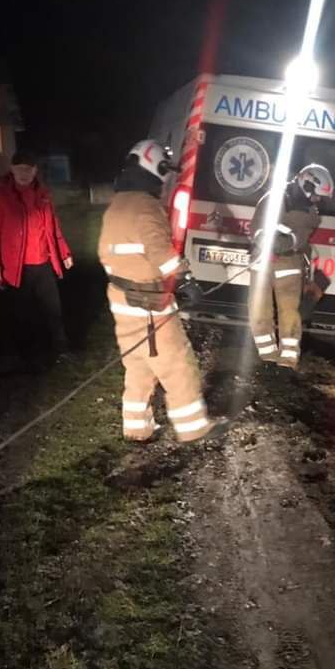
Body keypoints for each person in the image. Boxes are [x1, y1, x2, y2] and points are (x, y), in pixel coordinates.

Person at [99, 139, 229, 444]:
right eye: (163, 170)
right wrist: (184, 280)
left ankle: (136, 426)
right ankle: (193, 427)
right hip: (149, 303)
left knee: (139, 363)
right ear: (152, 166)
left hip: (121, 298)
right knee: (178, 363)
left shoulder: (117, 204)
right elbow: (160, 250)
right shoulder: (145, 205)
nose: (165, 176)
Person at [0, 150, 74, 360]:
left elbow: (53, 226)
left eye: (28, 169)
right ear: (12, 170)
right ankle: (26, 354)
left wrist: (64, 252)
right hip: (17, 267)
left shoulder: (43, 194)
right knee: (22, 312)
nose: (24, 173)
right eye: (19, 169)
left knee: (53, 309)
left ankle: (61, 349)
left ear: (35, 171)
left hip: (43, 264)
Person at [248, 164, 333, 369]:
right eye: (317, 195)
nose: (317, 200)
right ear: (307, 185)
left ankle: (288, 359)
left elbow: (300, 236)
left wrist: (283, 243)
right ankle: (267, 356)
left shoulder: (310, 213)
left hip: (290, 262)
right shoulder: (272, 199)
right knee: (258, 308)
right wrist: (268, 243)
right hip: (262, 260)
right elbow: (257, 228)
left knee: (290, 311)